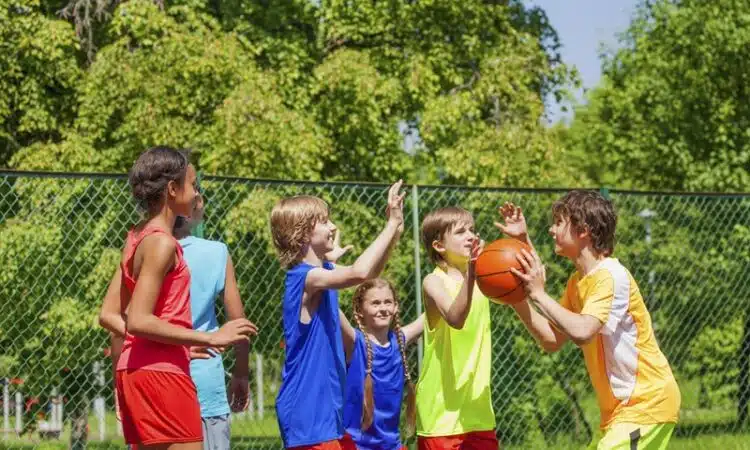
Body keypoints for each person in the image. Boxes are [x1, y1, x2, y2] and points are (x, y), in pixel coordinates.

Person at [98, 147, 254, 448]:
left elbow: (109, 314)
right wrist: (209, 338)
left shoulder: (137, 236)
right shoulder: (162, 244)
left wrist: (180, 343)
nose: (196, 194)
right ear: (172, 189)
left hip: (139, 371)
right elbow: (140, 320)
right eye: (193, 184)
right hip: (162, 375)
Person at [500, 192, 680, 450]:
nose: (551, 229)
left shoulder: (610, 276)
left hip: (646, 403)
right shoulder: (578, 283)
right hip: (621, 413)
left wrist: (537, 294)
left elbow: (583, 330)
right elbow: (552, 339)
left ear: (583, 230)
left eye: (558, 222)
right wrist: (516, 293)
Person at [270, 181, 405, 449]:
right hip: (308, 416)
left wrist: (395, 231)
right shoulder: (305, 278)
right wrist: (388, 226)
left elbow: (369, 274)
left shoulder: (321, 274)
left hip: (326, 419)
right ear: (303, 233)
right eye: (325, 222)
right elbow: (359, 272)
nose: (333, 227)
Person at [415, 206, 498, 450]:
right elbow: (455, 317)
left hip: (478, 411)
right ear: (439, 245)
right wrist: (473, 269)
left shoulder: (485, 279)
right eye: (461, 232)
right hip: (441, 414)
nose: (471, 236)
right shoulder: (433, 282)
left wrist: (521, 240)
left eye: (473, 230)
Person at [339, 278, 424, 450]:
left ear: (395, 307)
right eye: (375, 303)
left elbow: (431, 313)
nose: (383, 309)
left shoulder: (399, 341)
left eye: (388, 302)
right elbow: (332, 310)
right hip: (355, 445)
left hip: (391, 445)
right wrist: (325, 267)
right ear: (360, 310)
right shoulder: (355, 342)